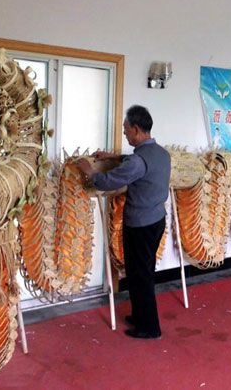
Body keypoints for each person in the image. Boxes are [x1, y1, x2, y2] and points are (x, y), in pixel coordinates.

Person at [76, 105, 171, 340]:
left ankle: (149, 327)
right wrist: (112, 156)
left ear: (137, 129)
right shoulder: (160, 153)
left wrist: (89, 172)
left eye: (126, 129)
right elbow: (133, 160)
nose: (125, 133)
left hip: (141, 224)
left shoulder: (139, 161)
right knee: (142, 271)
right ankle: (139, 316)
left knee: (140, 275)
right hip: (156, 219)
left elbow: (109, 181)